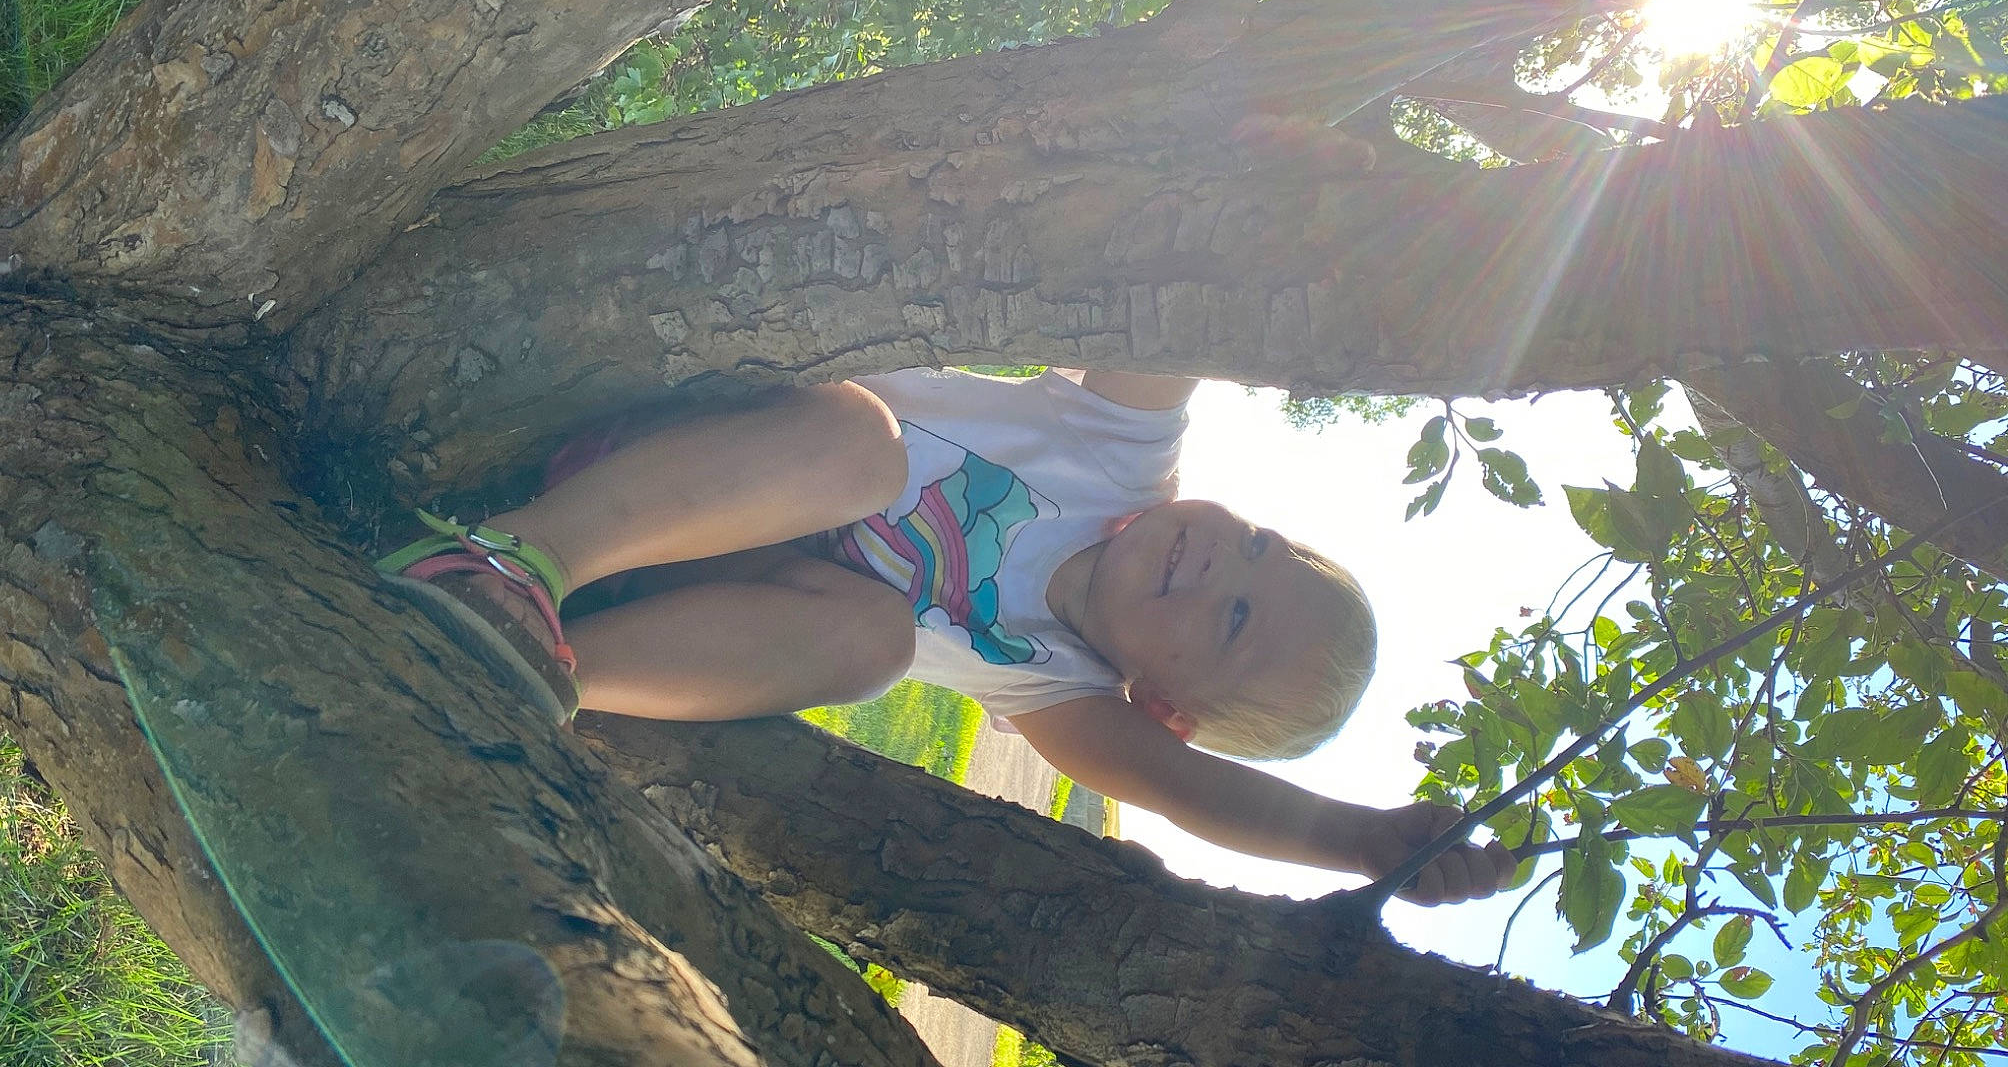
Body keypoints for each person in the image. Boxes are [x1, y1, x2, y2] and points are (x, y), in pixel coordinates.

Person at [378, 368, 1515, 905]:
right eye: (1258, 544)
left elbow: (1198, 798)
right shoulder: (1118, 447)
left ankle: (535, 669)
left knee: (872, 645)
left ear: (1163, 707)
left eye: (1232, 618)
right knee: (863, 451)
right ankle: (505, 562)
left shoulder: (1061, 695)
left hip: (683, 590)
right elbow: (1178, 318)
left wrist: (1367, 843)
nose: (1225, 561)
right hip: (673, 462)